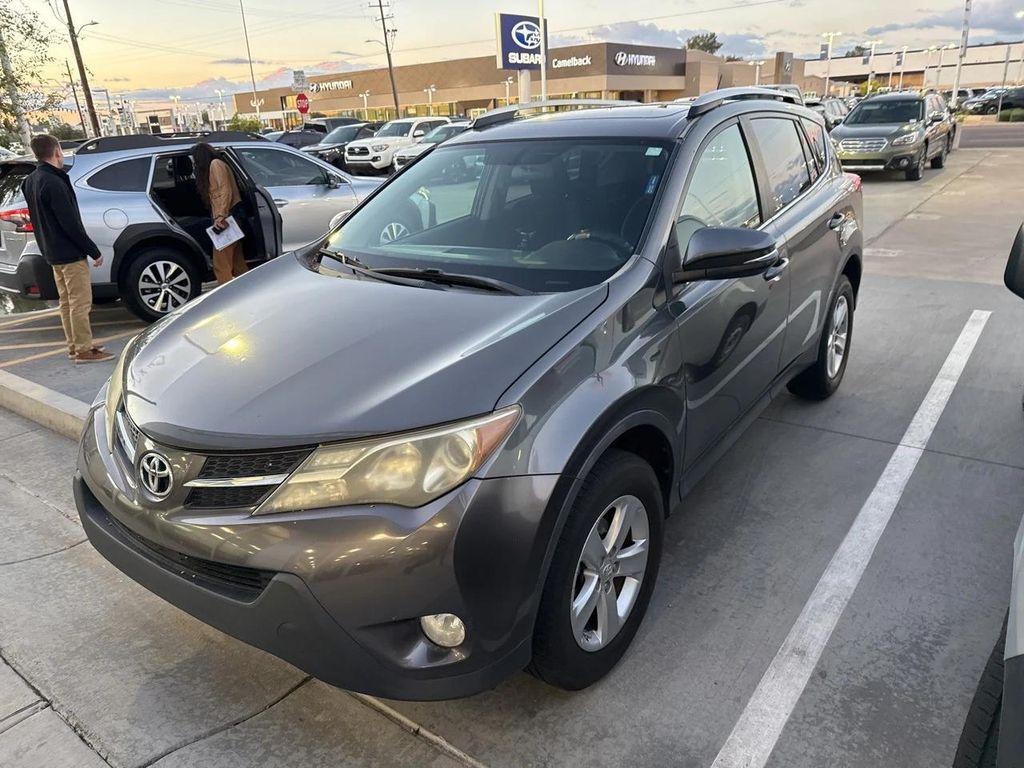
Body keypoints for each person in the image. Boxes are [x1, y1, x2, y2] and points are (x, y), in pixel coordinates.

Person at [21, 135, 112, 364]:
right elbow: (69, 222)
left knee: (67, 302)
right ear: (57, 151)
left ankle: (75, 345)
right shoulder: (54, 182)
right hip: (70, 253)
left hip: (51, 252)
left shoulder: (30, 181)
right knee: (80, 302)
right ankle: (83, 349)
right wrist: (93, 250)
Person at [191, 142, 248, 284]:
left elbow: (224, 190)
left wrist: (221, 216)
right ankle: (248, 288)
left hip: (226, 220)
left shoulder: (215, 165)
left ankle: (225, 296)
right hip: (231, 218)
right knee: (236, 262)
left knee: (221, 264)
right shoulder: (217, 164)